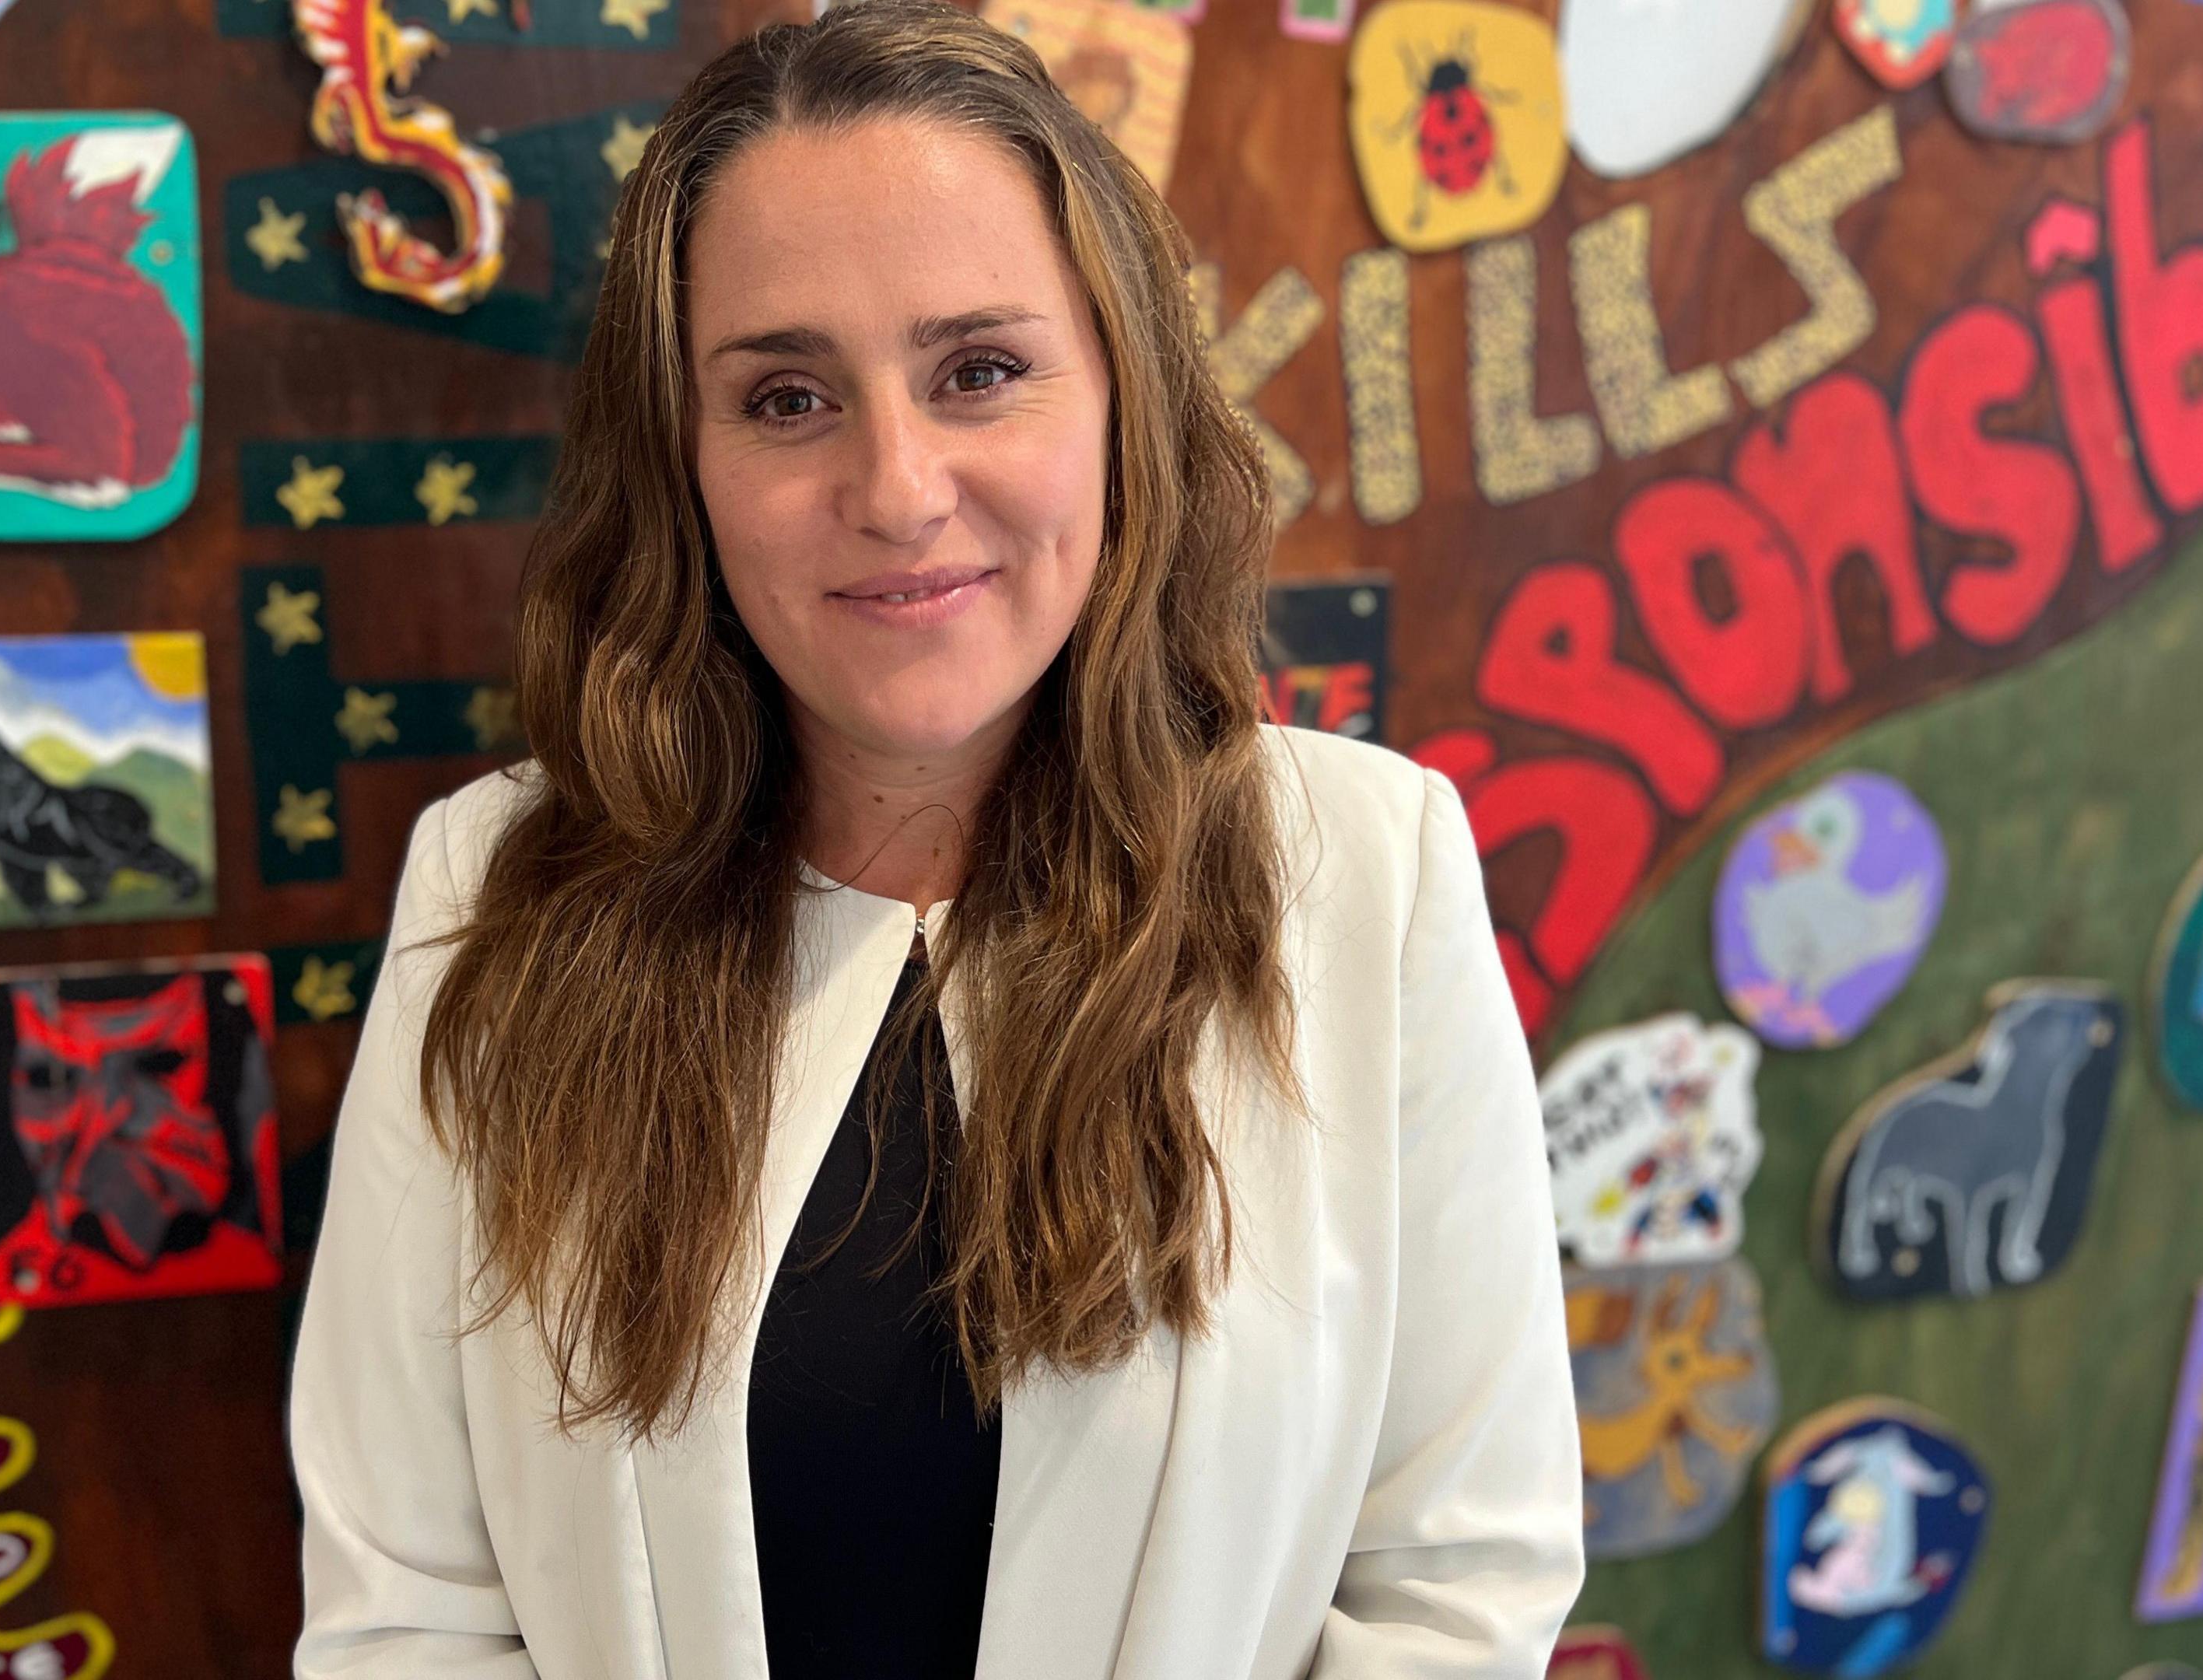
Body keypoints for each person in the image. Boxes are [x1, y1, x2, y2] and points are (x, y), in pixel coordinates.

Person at [287, 2, 1583, 1674]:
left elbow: (1453, 1598)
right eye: (786, 397)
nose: (897, 489)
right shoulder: (495, 892)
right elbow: (408, 1618)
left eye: (979, 371)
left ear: (1123, 394)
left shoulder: (1372, 873)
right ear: (681, 463)